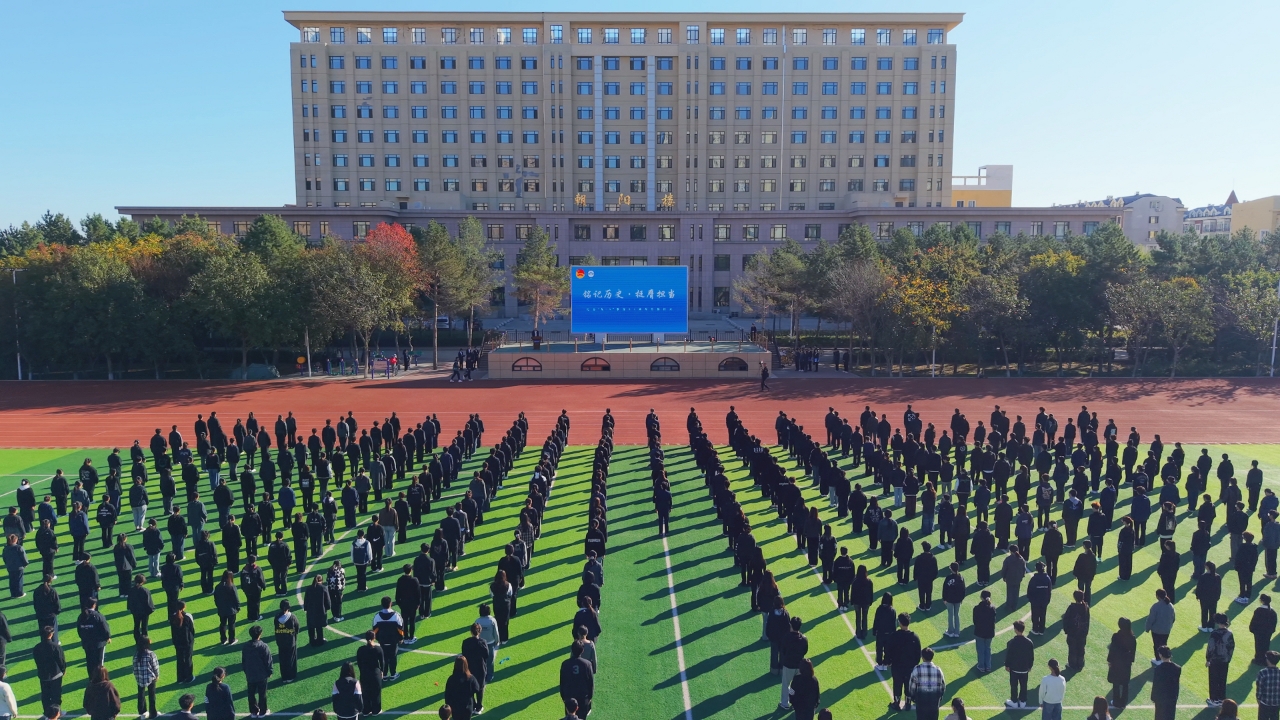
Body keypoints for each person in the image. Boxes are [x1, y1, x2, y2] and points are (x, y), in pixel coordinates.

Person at [888, 613, 922, 711]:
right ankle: (908, 704)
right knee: (908, 686)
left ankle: (896, 703)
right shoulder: (915, 637)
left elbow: (889, 650)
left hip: (897, 666)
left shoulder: (894, 636)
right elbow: (918, 654)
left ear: (900, 623)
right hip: (910, 667)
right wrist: (914, 664)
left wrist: (890, 661)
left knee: (897, 685)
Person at [241, 625, 273, 717]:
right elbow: (268, 660)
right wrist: (270, 671)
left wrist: (246, 671)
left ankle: (254, 711)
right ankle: (263, 711)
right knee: (262, 693)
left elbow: (244, 661)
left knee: (251, 693)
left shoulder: (246, 646)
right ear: (260, 634)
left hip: (250, 674)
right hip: (261, 675)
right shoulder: (263, 646)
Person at [76, 598, 111, 681]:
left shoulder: (81, 616)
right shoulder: (98, 616)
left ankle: (91, 679)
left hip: (87, 644)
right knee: (99, 662)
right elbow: (105, 628)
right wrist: (107, 637)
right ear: (94, 605)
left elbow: (79, 630)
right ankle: (99, 679)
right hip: (98, 644)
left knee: (90, 661)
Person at [34, 625, 66, 712]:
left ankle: (47, 713)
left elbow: (37, 661)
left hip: (43, 675)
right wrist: (63, 670)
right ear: (51, 634)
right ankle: (56, 712)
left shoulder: (37, 647)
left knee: (45, 695)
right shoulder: (56, 647)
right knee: (56, 694)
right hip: (56, 674)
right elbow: (61, 660)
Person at [779, 616, 809, 711]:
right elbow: (805, 651)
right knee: (798, 686)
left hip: (788, 665)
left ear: (790, 625)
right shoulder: (804, 638)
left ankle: (785, 703)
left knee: (786, 684)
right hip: (800, 666)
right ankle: (797, 703)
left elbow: (783, 650)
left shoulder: (786, 637)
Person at [1106, 617, 1137, 708]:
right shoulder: (1132, 638)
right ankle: (1123, 702)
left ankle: (1116, 701)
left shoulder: (1116, 636)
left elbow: (1112, 650)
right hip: (1126, 663)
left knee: (1116, 683)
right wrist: (1130, 661)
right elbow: (1133, 652)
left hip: (1116, 662)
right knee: (1125, 683)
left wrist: (1110, 661)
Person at [908, 647, 946, 720]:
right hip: (934, 703)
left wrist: (913, 698)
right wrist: (939, 698)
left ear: (922, 657)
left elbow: (912, 687)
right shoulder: (938, 670)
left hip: (921, 702)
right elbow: (943, 687)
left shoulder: (917, 669)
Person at [1207, 613, 1235, 707]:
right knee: (1222, 680)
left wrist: (1208, 659)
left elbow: (1211, 647)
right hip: (1224, 660)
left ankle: (1214, 699)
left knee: (1213, 679)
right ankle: (1222, 699)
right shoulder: (1229, 633)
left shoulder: (1215, 633)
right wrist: (1228, 658)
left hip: (1214, 660)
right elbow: (1231, 647)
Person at [372, 597, 404, 680]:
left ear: (381, 604)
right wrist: (401, 638)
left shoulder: (377, 616)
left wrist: (378, 638)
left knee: (384, 657)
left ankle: (384, 675)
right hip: (393, 641)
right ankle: (393, 674)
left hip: (382, 641)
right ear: (391, 604)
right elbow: (400, 629)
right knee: (393, 657)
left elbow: (374, 630)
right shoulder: (396, 616)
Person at [559, 642, 594, 717]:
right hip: (583, 697)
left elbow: (562, 682)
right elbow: (590, 682)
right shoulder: (587, 664)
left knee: (569, 717)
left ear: (572, 650)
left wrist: (563, 697)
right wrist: (590, 697)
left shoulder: (565, 664)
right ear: (582, 650)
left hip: (569, 697)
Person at [1004, 620, 1034, 709]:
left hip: (1014, 669)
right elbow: (1031, 656)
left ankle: (1014, 701)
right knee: (1024, 685)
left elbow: (1009, 655)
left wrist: (1007, 665)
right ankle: (1022, 701)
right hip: (1024, 669)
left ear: (1016, 630)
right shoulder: (1029, 642)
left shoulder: (1011, 642)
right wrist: (1030, 666)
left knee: (1014, 685)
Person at [460, 624, 490, 712]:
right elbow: (486, 655)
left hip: (469, 668)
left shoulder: (466, 642)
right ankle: (479, 707)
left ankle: (473, 705)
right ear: (480, 631)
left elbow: (464, 655)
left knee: (470, 687)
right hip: (480, 668)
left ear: (471, 632)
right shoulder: (483, 642)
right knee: (480, 688)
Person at [131, 636, 160, 720]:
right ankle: (153, 713)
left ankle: (142, 712)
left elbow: (134, 668)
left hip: (140, 678)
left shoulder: (136, 654)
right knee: (152, 695)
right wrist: (157, 675)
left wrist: (137, 677)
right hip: (150, 678)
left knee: (141, 695)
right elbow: (155, 666)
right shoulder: (151, 654)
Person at [1151, 645, 1181, 720]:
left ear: (1161, 655)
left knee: (1159, 716)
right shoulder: (1177, 668)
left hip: (1161, 698)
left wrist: (1153, 697)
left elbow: (1156, 685)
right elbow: (1176, 684)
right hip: (1171, 697)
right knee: (1170, 716)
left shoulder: (1158, 669)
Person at [1063, 591, 1091, 671]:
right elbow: (1087, 621)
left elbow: (1066, 619)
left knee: (1072, 650)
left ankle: (1072, 664)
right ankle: (1080, 663)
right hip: (1082, 633)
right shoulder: (1086, 607)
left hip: (1073, 633)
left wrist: (1066, 630)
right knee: (1081, 649)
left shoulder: (1072, 607)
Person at [170, 602, 196, 684]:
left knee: (180, 659)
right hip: (187, 641)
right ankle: (189, 677)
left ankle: (180, 678)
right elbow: (192, 629)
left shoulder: (173, 617)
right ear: (183, 607)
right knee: (188, 658)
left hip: (177, 641)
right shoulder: (188, 616)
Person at [214, 570, 240, 644]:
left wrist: (219, 606)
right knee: (231, 624)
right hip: (231, 610)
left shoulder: (218, 586)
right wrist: (238, 607)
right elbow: (236, 598)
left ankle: (223, 639)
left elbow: (216, 598)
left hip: (222, 609)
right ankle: (232, 640)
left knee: (223, 624)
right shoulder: (232, 586)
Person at [973, 590, 996, 674]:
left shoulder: (977, 608)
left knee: (980, 649)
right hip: (989, 632)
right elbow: (993, 620)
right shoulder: (992, 608)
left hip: (980, 632)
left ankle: (981, 666)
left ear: (981, 597)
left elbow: (975, 621)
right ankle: (988, 666)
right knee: (987, 649)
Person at [1197, 562, 1223, 632]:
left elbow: (1199, 587)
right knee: (1212, 612)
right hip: (1213, 598)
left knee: (1204, 612)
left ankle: (1204, 626)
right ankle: (1211, 626)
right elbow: (1219, 588)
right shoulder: (1217, 577)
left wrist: (1198, 596)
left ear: (1207, 567)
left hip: (1204, 598)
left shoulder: (1203, 576)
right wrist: (1217, 597)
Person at [1255, 595, 1279, 666]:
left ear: (1262, 601)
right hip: (1268, 633)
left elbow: (1254, 622)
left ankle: (1258, 659)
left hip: (1258, 633)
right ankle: (1265, 659)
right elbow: (1274, 624)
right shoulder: (1273, 612)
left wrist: (1253, 630)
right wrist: (1271, 631)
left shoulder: (1259, 610)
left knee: (1258, 646)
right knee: (1266, 645)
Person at [1258, 651, 1280, 720]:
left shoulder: (1262, 673)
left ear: (1268, 660)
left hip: (1264, 703)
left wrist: (1258, 699)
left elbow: (1259, 690)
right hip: (1276, 703)